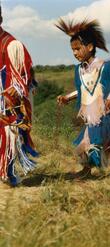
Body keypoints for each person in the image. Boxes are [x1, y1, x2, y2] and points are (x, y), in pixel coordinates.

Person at [56, 18, 110, 178]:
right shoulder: (79, 70)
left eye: (78, 48)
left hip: (105, 114)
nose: (75, 53)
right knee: (83, 146)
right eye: (72, 50)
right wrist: (67, 98)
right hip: (90, 115)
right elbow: (83, 89)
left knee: (97, 144)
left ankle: (94, 170)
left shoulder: (105, 65)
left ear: (90, 47)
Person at [0, 5, 38, 186]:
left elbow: (24, 73)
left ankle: (8, 173)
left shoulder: (11, 45)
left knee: (9, 135)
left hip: (7, 103)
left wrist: (17, 86)